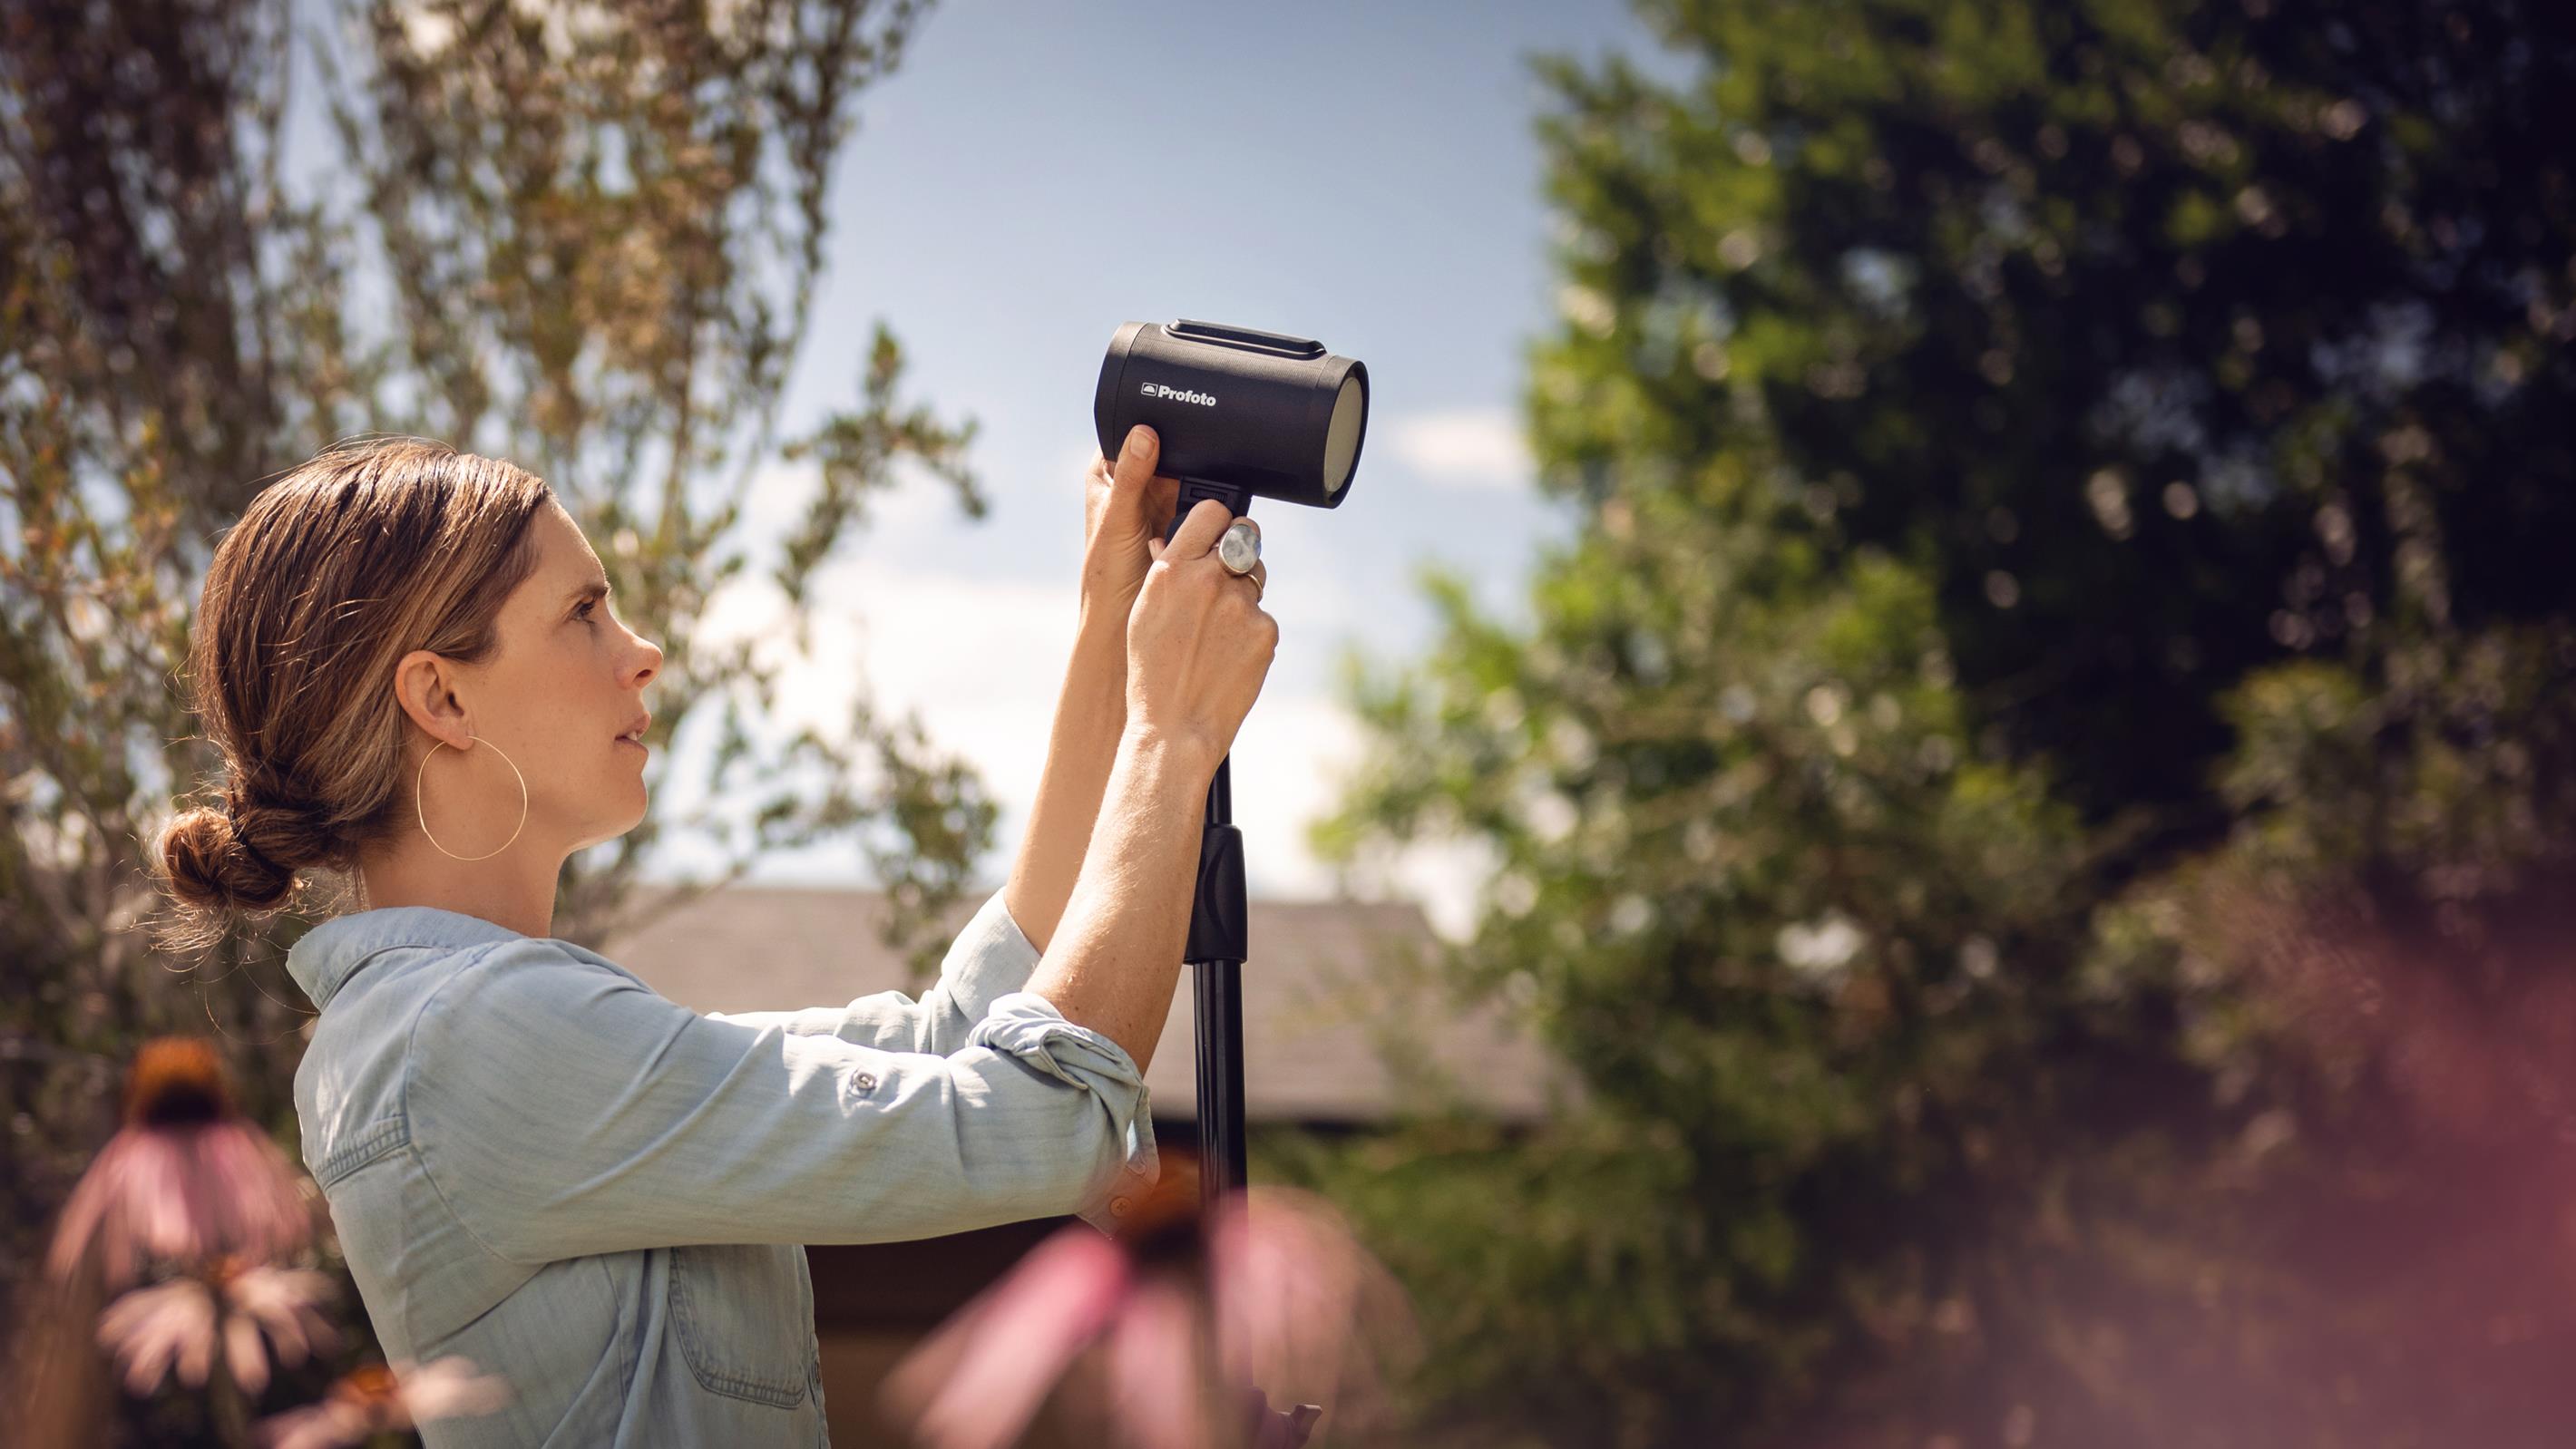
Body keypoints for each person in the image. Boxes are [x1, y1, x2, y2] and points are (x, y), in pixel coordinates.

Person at [151, 425, 1277, 1445]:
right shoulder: (472, 1035)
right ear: (442, 701)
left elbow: (954, 1039)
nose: (642, 650)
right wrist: (1170, 738)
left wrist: (1107, 621)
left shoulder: (478, 1028)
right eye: (582, 612)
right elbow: (1041, 1116)